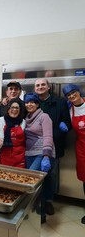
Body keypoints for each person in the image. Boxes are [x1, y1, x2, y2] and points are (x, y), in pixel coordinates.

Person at [34, 78, 71, 216]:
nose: (40, 87)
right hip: (35, 147)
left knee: (51, 175)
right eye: (37, 85)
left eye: (43, 84)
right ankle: (37, 201)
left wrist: (65, 126)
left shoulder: (60, 102)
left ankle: (48, 201)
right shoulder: (32, 103)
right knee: (36, 175)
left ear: (49, 87)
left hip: (54, 145)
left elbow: (67, 121)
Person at [24, 92, 55, 224]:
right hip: (29, 154)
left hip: (43, 153)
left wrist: (46, 156)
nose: (29, 104)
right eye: (27, 102)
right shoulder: (26, 118)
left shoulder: (44, 116)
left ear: (37, 104)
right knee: (37, 187)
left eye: (32, 102)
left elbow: (48, 136)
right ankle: (34, 214)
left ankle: (40, 216)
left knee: (32, 183)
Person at [62, 83, 85, 224]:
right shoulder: (71, 110)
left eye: (73, 92)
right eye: (68, 95)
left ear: (79, 92)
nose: (71, 96)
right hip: (82, 148)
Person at [0, 98, 26, 168]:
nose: (15, 110)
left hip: (20, 157)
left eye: (17, 108)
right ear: (8, 109)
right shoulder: (0, 121)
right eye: (12, 107)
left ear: (20, 110)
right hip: (4, 156)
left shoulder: (23, 122)